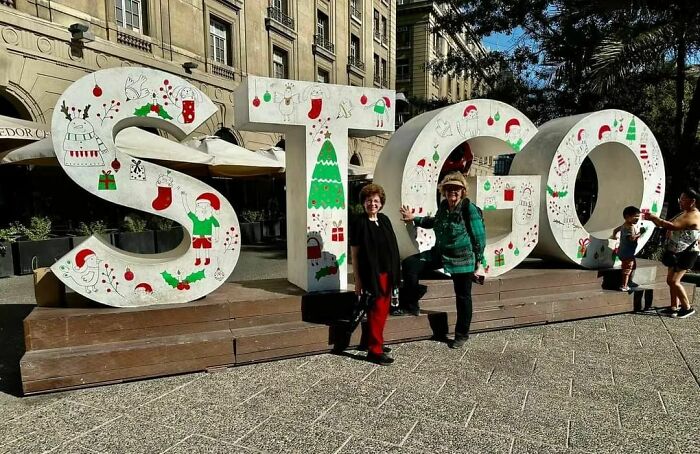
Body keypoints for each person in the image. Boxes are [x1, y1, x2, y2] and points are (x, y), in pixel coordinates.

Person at [399, 172, 486, 348]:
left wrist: (479, 261)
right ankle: (412, 303)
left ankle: (461, 334)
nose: (452, 192)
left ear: (463, 191)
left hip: (463, 260)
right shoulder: (444, 207)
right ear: (443, 192)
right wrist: (414, 219)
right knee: (410, 264)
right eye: (448, 189)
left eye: (456, 189)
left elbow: (479, 237)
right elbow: (434, 222)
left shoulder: (469, 209)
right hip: (440, 254)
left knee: (463, 297)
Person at [350, 183, 401, 365]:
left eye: (376, 200)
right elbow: (355, 254)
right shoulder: (359, 222)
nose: (372, 203)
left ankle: (376, 341)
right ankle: (374, 350)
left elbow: (393, 247)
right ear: (363, 202)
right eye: (369, 200)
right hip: (372, 275)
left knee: (383, 311)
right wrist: (358, 281)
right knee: (376, 311)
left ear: (381, 203)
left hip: (388, 273)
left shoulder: (385, 220)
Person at [644, 188, 700, 318]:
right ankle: (674, 307)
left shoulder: (693, 215)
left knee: (675, 281)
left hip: (687, 253)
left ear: (692, 201)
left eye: (683, 199)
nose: (680, 201)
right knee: (670, 280)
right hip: (676, 251)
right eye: (680, 198)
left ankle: (687, 308)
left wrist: (653, 218)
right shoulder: (685, 212)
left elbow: (671, 226)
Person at [612, 206, 644, 292]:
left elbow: (616, 230)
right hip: (627, 253)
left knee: (633, 266)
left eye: (638, 217)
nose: (637, 219)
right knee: (627, 269)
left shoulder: (624, 225)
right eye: (635, 217)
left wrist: (614, 236)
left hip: (625, 251)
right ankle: (624, 285)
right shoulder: (629, 227)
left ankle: (629, 282)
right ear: (627, 217)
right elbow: (631, 238)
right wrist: (640, 233)